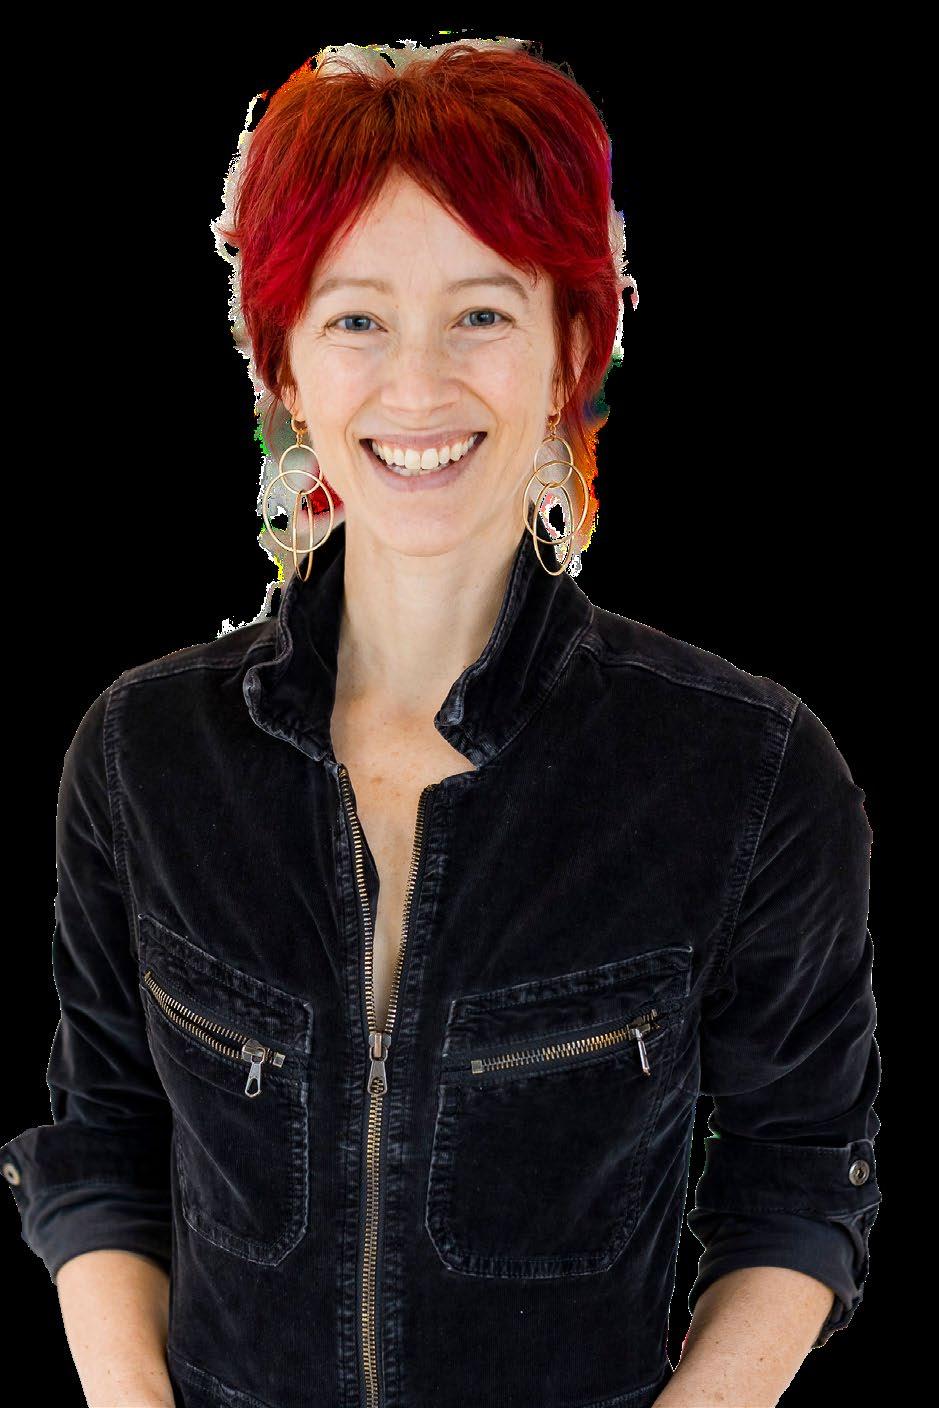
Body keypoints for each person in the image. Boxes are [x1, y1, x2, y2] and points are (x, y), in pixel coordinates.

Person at [0, 37, 880, 1408]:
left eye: (480, 313)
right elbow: (103, 1143)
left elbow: (802, 1180)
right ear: (283, 362)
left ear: (571, 348)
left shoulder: (748, 773)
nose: (416, 386)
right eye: (356, 319)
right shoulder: (140, 756)